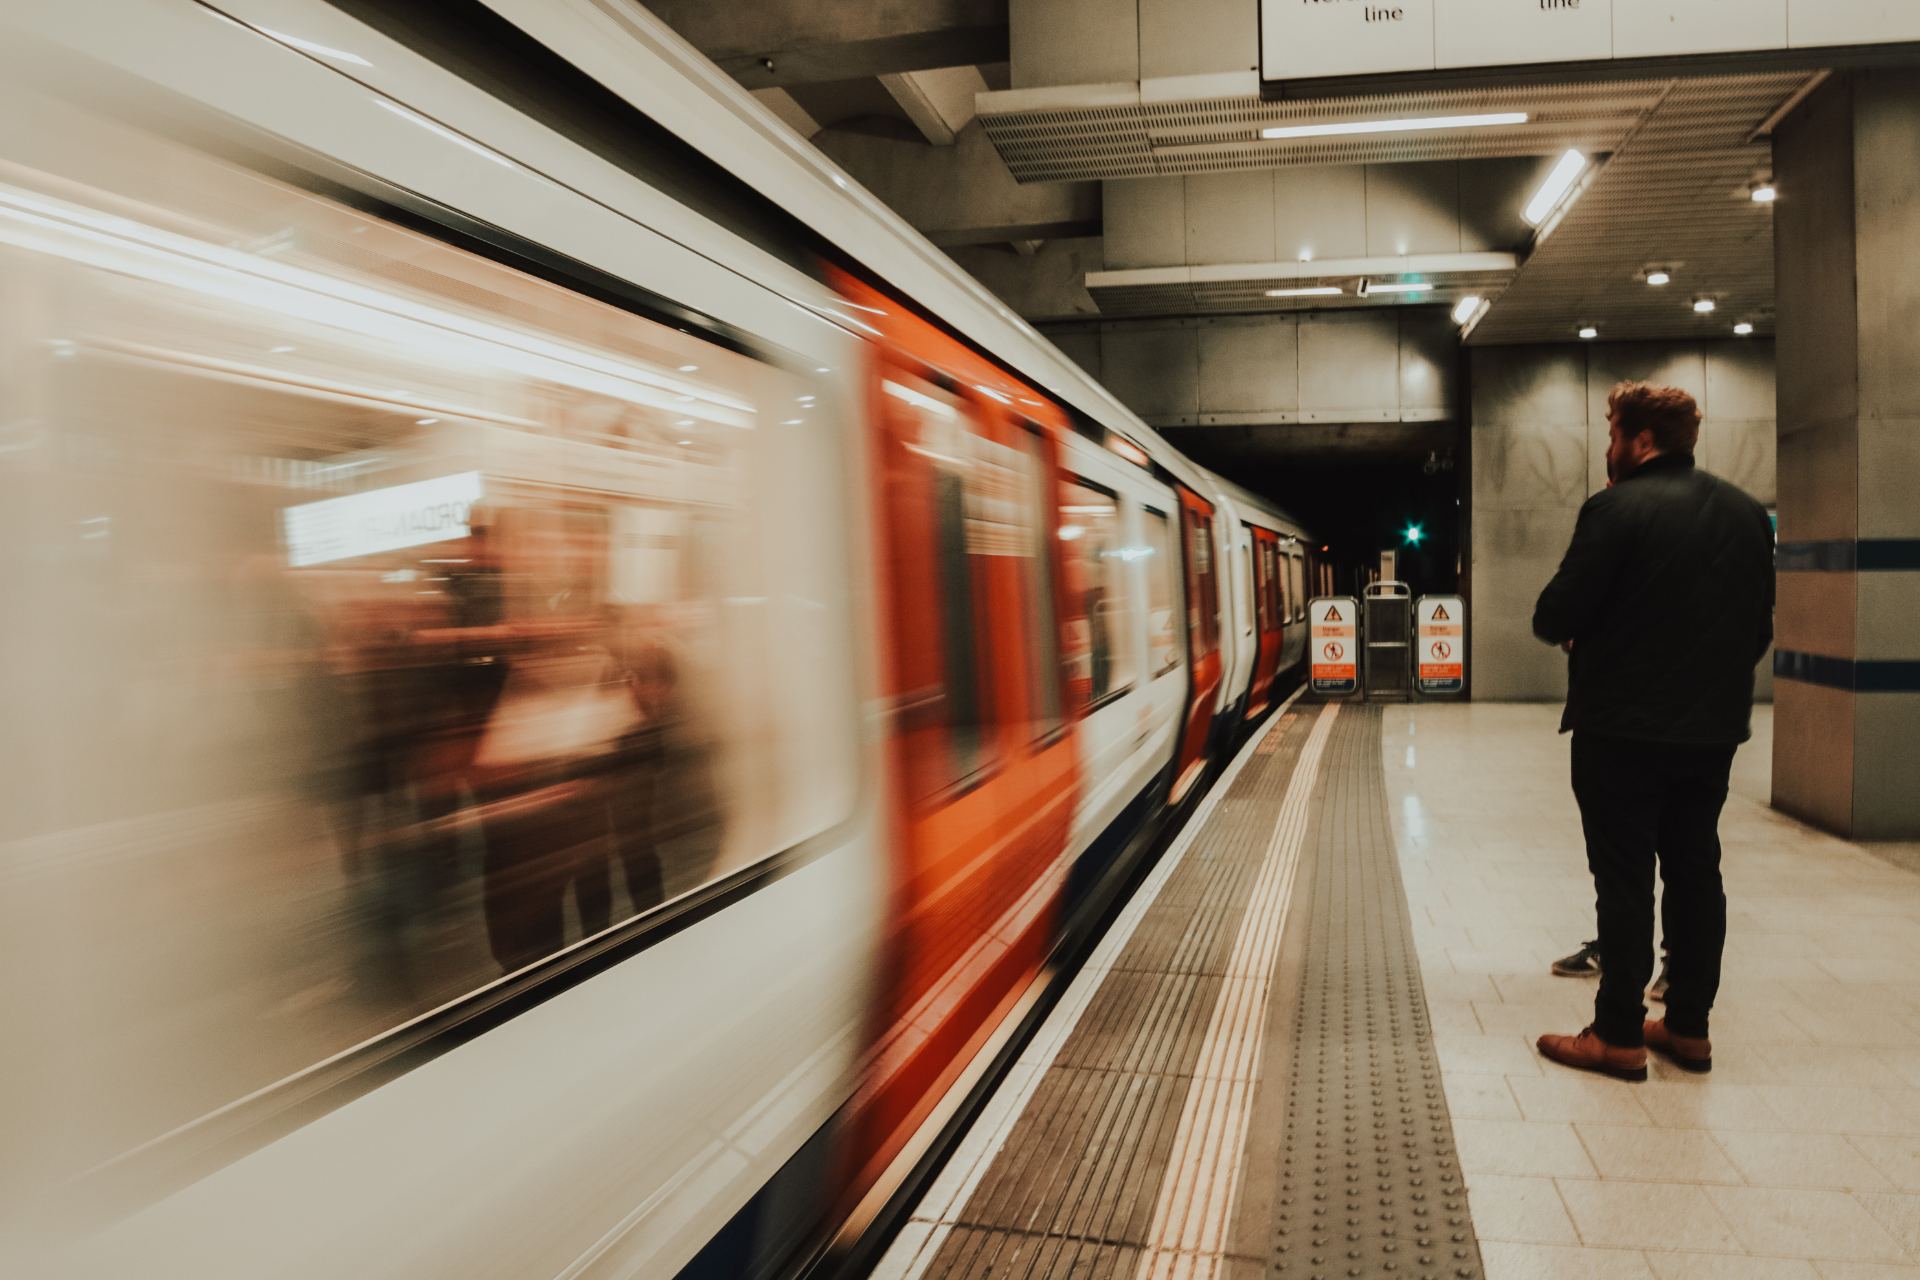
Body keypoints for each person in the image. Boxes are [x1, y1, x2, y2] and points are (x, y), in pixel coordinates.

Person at [1531, 382, 1774, 1081]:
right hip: (1712, 733)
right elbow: (1757, 630)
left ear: (1639, 442)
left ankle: (1617, 1034)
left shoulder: (1615, 507)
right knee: (1697, 870)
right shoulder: (1746, 514)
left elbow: (1555, 614)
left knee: (1627, 877)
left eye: (1612, 437)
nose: (1609, 451)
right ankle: (1690, 1028)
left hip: (1622, 730)